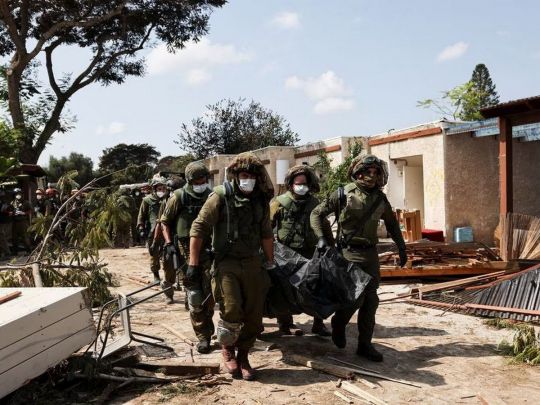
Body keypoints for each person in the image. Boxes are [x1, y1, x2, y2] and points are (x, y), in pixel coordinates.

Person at [310, 154, 407, 362]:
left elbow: (392, 224)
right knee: (354, 298)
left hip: (370, 255)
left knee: (371, 301)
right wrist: (322, 238)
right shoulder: (343, 193)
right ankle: (339, 322)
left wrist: (401, 247)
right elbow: (316, 214)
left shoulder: (380, 199)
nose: (372, 176)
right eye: (368, 172)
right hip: (348, 254)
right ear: (358, 173)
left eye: (375, 172)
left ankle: (365, 345)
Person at [189, 152, 274, 381]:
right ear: (236, 176)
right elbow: (199, 228)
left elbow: (266, 233)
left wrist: (271, 261)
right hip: (226, 262)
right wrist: (193, 263)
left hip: (253, 262)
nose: (249, 180)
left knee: (254, 314)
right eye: (244, 176)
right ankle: (228, 349)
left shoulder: (260, 200)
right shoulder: (220, 196)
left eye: (252, 176)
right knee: (231, 308)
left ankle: (244, 355)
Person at [270, 165, 334, 337]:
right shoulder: (279, 202)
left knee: (317, 287)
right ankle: (285, 323)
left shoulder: (315, 203)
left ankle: (318, 323)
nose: (301, 187)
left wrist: (331, 246)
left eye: (304, 184)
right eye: (298, 184)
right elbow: (267, 226)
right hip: (286, 254)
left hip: (310, 252)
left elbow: (325, 226)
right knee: (284, 289)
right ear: (291, 184)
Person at [161, 163, 214, 352]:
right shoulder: (179, 197)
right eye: (197, 181)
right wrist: (169, 244)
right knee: (194, 295)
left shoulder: (212, 196)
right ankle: (203, 336)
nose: (201, 183)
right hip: (185, 251)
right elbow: (165, 222)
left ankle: (209, 327)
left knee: (210, 293)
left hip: (208, 250)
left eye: (203, 180)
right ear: (190, 181)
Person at [137, 176, 169, 282]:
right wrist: (141, 228)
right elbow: (141, 215)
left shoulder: (169, 199)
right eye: (159, 189)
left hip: (167, 231)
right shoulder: (147, 200)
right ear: (154, 189)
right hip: (153, 231)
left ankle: (168, 277)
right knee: (154, 254)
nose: (162, 191)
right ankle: (156, 275)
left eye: (163, 189)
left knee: (167, 255)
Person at [10, 188, 32, 254]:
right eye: (17, 194)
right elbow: (10, 211)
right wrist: (12, 213)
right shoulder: (12, 203)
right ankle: (15, 251)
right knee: (14, 237)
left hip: (23, 222)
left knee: (25, 237)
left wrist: (24, 213)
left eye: (19, 194)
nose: (18, 195)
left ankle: (28, 251)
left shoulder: (26, 202)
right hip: (15, 222)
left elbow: (31, 210)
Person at [0, 189, 14, 259]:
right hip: (3, 221)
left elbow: (8, 211)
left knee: (2, 238)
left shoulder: (4, 203)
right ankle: (3, 253)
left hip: (2, 222)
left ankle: (7, 253)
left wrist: (6, 212)